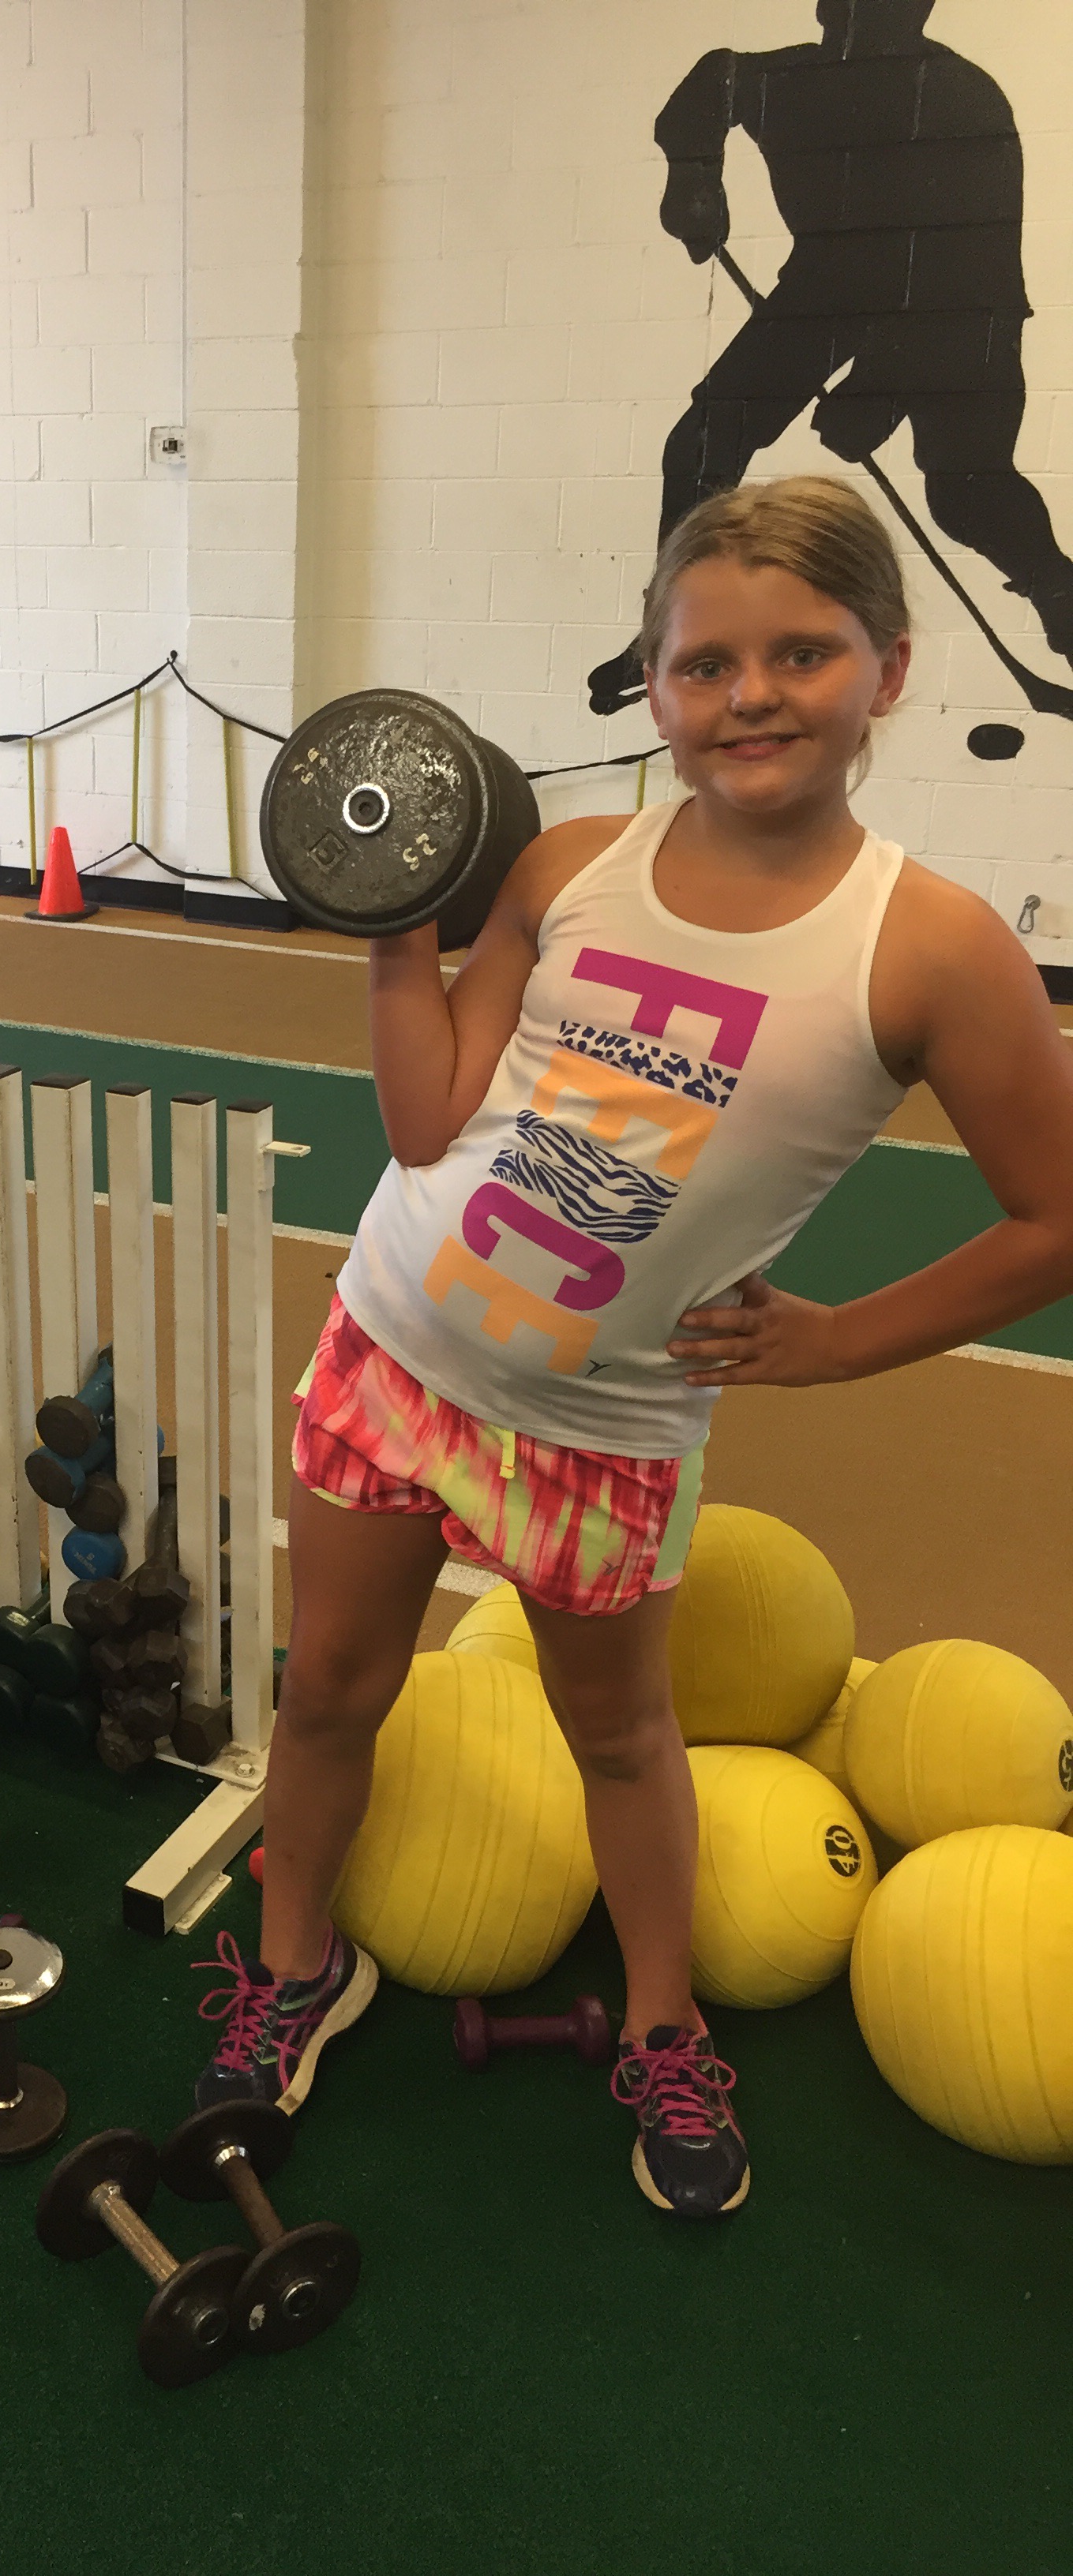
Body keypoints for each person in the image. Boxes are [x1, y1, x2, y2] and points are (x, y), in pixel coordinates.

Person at [199, 475, 1073, 2216]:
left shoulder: (929, 947)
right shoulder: (565, 866)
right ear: (653, 683)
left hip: (604, 1432)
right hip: (393, 1350)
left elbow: (1054, 1216)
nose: (748, 695)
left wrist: (836, 1345)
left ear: (890, 669)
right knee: (329, 1688)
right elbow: (430, 1122)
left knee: (619, 1737)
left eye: (800, 654)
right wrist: (393, 921)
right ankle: (295, 1966)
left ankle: (664, 2028)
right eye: (702, 664)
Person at [589, 0, 1073, 713]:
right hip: (831, 281)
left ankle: (1060, 596)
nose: (858, 24)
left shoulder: (961, 97)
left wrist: (883, 385)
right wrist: (693, 178)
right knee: (703, 440)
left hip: (962, 309)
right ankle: (672, 620)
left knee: (966, 492)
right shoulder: (787, 81)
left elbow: (965, 268)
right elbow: (709, 85)